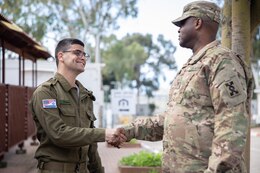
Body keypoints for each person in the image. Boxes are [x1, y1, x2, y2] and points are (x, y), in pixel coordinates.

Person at [112, 1, 254, 172]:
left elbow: (231, 124)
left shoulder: (222, 62)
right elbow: (173, 120)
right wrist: (129, 130)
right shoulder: (193, 65)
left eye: (182, 23)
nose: (178, 29)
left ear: (197, 22)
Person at [29, 38, 125, 173]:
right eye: (77, 53)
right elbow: (58, 134)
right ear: (61, 56)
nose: (82, 58)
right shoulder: (46, 92)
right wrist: (104, 133)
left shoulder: (85, 95)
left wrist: (98, 170)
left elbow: (91, 145)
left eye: (84, 54)